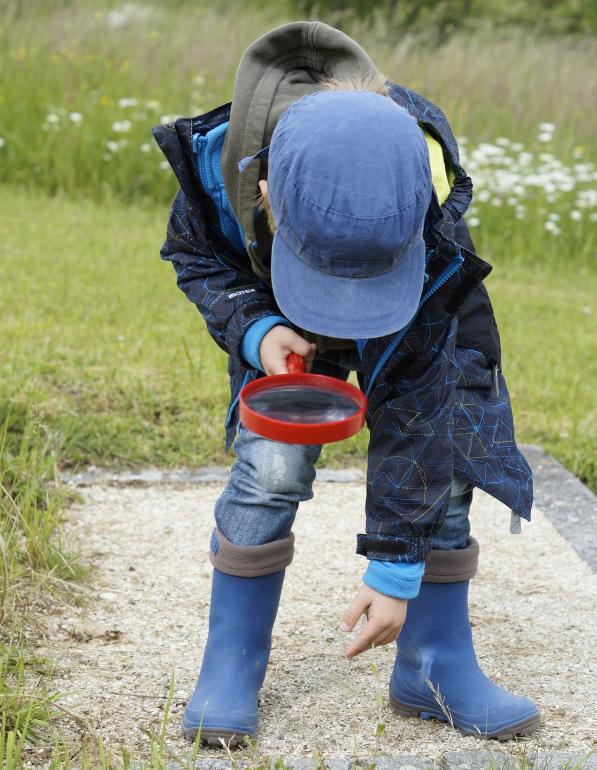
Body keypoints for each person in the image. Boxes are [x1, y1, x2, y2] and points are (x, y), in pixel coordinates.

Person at [153, 21, 539, 746]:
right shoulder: (216, 168)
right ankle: (231, 663)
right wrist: (256, 329)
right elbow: (195, 260)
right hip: (280, 315)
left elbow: (418, 413)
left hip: (410, 297)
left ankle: (432, 665)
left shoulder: (417, 193)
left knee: (448, 454)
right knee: (271, 463)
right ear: (263, 190)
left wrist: (396, 568)